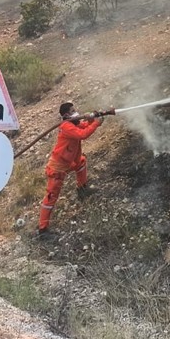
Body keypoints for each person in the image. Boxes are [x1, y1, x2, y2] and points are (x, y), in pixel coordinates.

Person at [38, 101, 111, 238]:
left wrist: (92, 120)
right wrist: (95, 123)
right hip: (57, 168)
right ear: (67, 114)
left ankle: (82, 190)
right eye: (73, 111)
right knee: (51, 197)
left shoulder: (73, 124)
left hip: (68, 163)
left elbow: (84, 127)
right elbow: (82, 135)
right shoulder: (66, 126)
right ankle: (43, 229)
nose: (76, 112)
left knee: (81, 162)